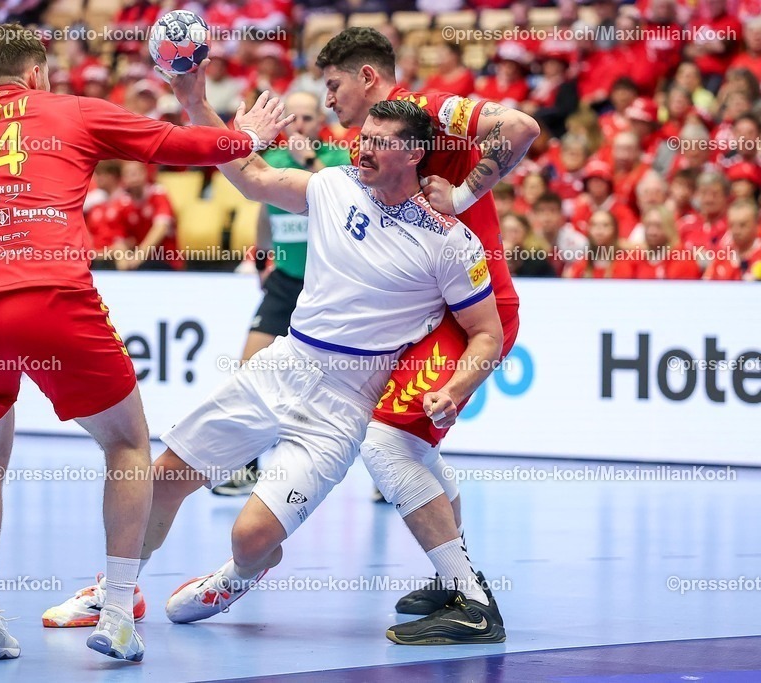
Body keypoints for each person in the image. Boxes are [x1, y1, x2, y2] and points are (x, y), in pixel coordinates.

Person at [46, 67, 506, 645]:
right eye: (362, 139)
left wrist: (455, 388)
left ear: (413, 154)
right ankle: (115, 592)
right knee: (163, 479)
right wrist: (195, 100)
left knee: (251, 535)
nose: (362, 150)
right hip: (282, 366)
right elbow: (253, 174)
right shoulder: (334, 186)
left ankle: (245, 569)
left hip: (342, 404)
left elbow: (485, 333)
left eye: (379, 143)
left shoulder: (449, 239)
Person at [0, 23, 293, 665]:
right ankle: (119, 611)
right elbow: (170, 145)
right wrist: (249, 138)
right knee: (126, 443)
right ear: (37, 73)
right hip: (49, 295)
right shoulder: (71, 110)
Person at [314, 27, 537, 636]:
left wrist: (462, 195)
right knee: (411, 445)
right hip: (430, 312)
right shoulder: (370, 141)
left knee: (385, 441)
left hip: (474, 309)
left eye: (334, 85)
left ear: (367, 77)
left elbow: (520, 127)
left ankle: (473, 605)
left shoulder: (432, 113)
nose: (329, 100)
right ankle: (454, 580)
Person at [212, 90, 351, 497]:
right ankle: (247, 466)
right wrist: (262, 259)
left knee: (354, 383)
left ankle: (387, 476)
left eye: (309, 118)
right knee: (249, 369)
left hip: (330, 287)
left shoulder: (338, 161)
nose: (302, 125)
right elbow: (264, 211)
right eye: (297, 118)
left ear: (318, 122)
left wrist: (309, 159)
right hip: (286, 281)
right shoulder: (271, 164)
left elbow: (347, 203)